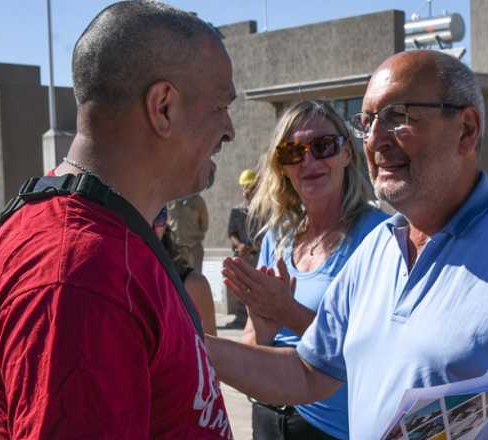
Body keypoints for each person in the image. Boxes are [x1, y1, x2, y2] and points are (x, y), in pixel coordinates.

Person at [207, 50, 488, 440]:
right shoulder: (377, 250)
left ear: (466, 130)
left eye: (398, 117)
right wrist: (187, 346)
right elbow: (307, 373)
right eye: (367, 122)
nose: (375, 140)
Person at [0, 1, 236, 438]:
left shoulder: (105, 238)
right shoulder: (77, 275)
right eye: (220, 106)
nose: (230, 130)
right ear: (163, 107)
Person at [222, 100, 388, 440]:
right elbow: (253, 340)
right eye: (293, 152)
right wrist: (263, 327)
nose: (309, 161)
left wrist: (287, 311)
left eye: (323, 146)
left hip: (334, 427)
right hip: (268, 416)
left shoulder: (380, 236)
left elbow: (374, 353)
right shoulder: (277, 236)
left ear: (347, 153)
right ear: (281, 167)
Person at [155, 207, 218, 335]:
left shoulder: (192, 285)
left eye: (159, 216)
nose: (148, 224)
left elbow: (208, 344)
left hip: (192, 249)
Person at [225, 168, 260, 327]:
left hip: (257, 255)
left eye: (251, 187)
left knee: (256, 287)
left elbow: (267, 233)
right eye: (246, 187)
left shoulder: (264, 211)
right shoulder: (237, 211)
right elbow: (231, 232)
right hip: (242, 255)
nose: (248, 191)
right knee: (239, 285)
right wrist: (240, 245)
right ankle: (240, 317)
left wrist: (253, 247)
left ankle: (255, 318)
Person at [167, 193, 210, 271]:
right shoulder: (171, 200)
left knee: (195, 275)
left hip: (193, 249)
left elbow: (204, 225)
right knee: (175, 276)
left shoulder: (197, 201)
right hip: (175, 249)